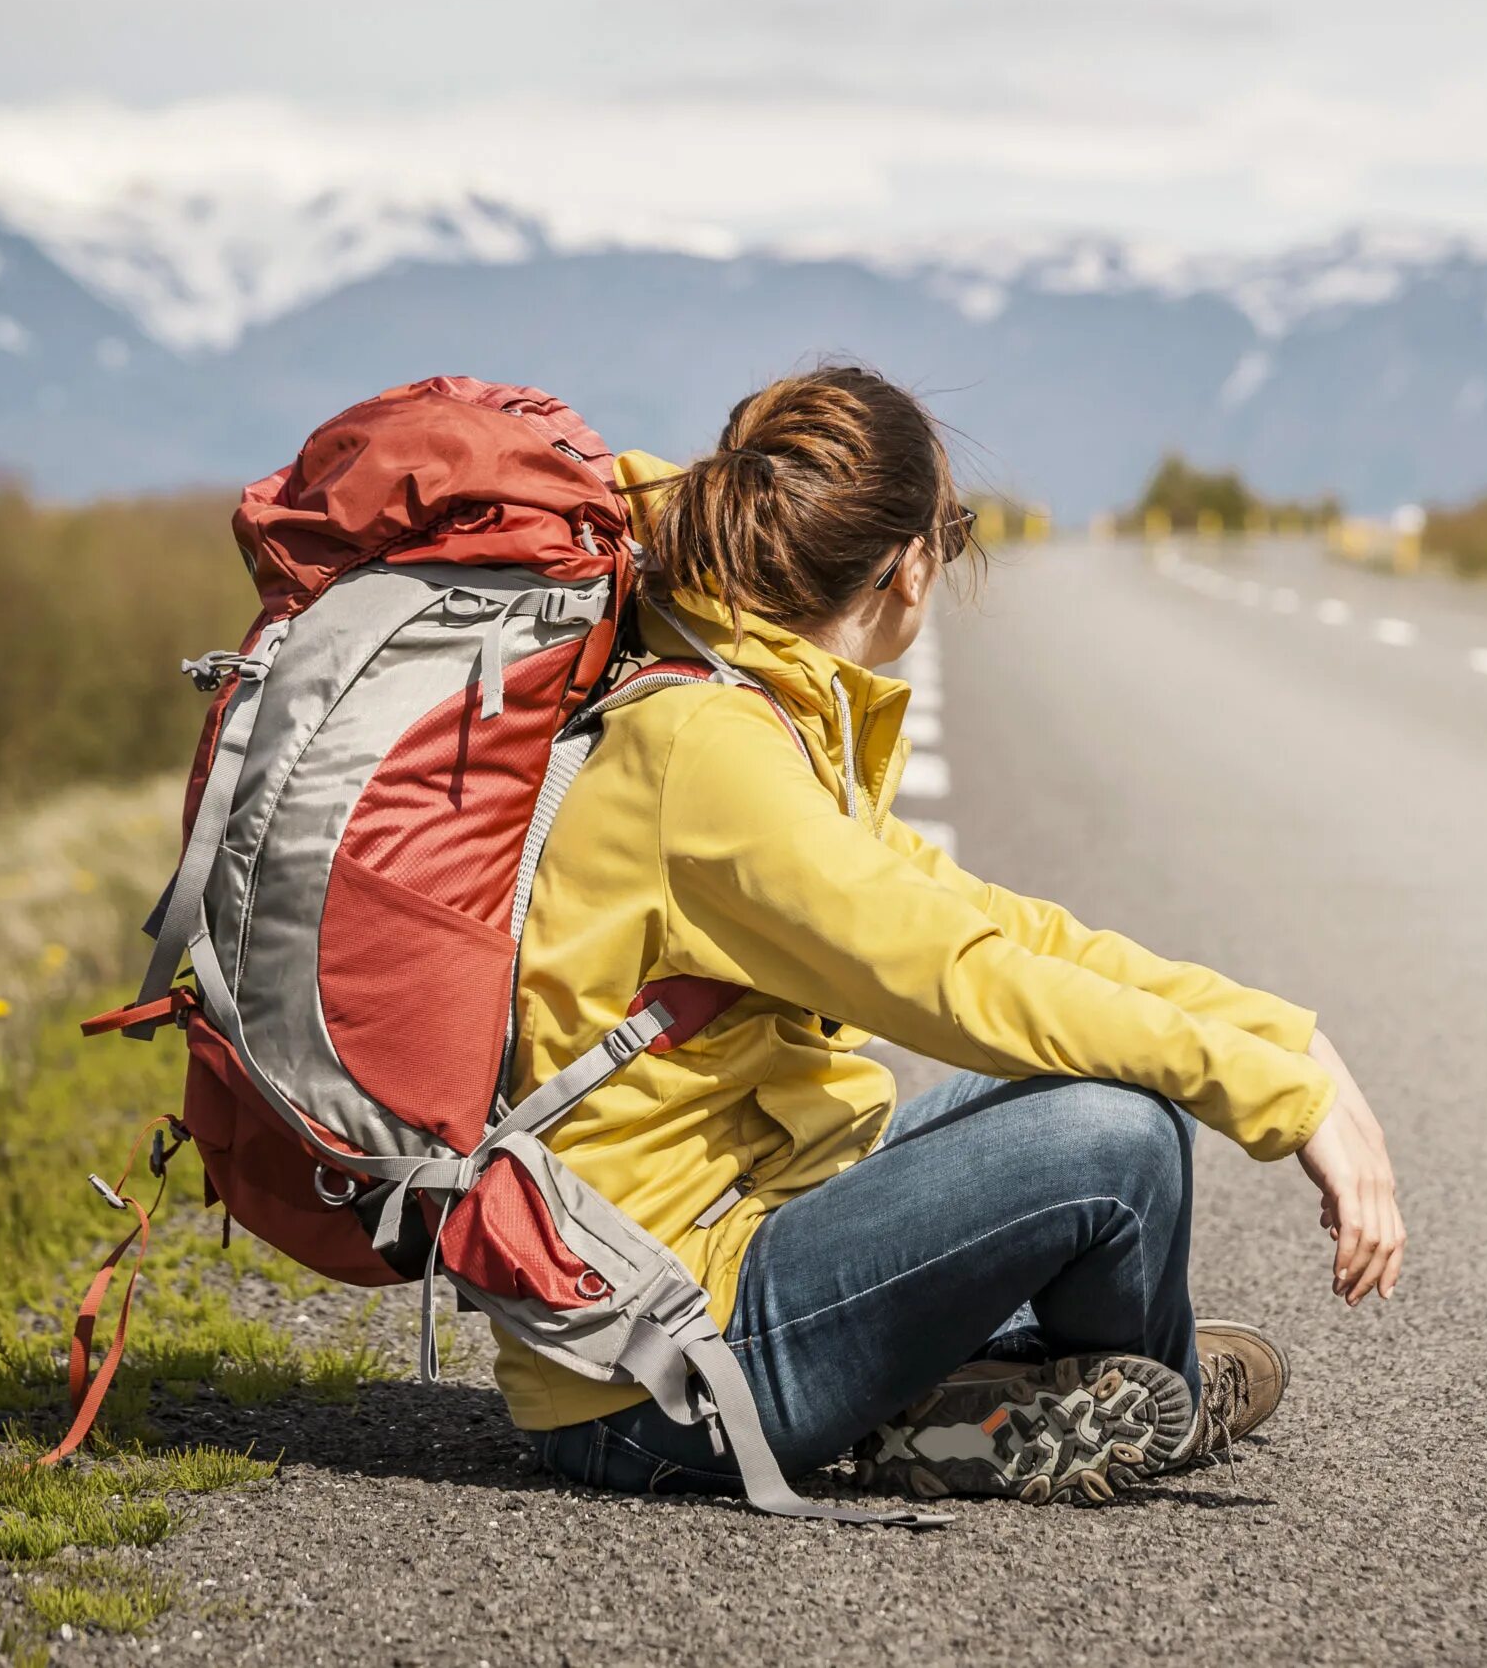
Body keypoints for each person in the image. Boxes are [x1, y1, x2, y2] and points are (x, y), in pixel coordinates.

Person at [507, 363, 1406, 1504]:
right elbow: (955, 977)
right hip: (655, 1370)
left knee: (1128, 1106)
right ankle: (1112, 1398)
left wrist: (1282, 1041)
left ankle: (1010, 1401)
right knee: (1116, 1141)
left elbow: (997, 924)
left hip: (743, 1239)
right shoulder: (709, 753)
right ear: (910, 564)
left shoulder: (754, 707)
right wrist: (1277, 1104)